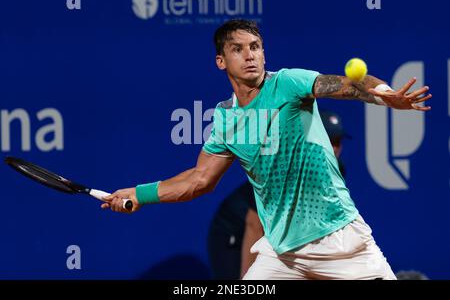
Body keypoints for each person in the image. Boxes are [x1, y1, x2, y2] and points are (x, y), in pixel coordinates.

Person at [102, 19, 432, 280]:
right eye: (238, 49)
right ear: (221, 61)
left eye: (256, 47)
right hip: (282, 254)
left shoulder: (287, 83)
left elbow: (349, 85)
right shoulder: (226, 118)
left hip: (341, 242)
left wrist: (386, 95)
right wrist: (139, 194)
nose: (250, 55)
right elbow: (200, 179)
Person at [207, 110, 349, 279]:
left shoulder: (335, 170)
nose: (334, 148)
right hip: (236, 230)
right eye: (328, 140)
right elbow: (255, 223)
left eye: (338, 142)